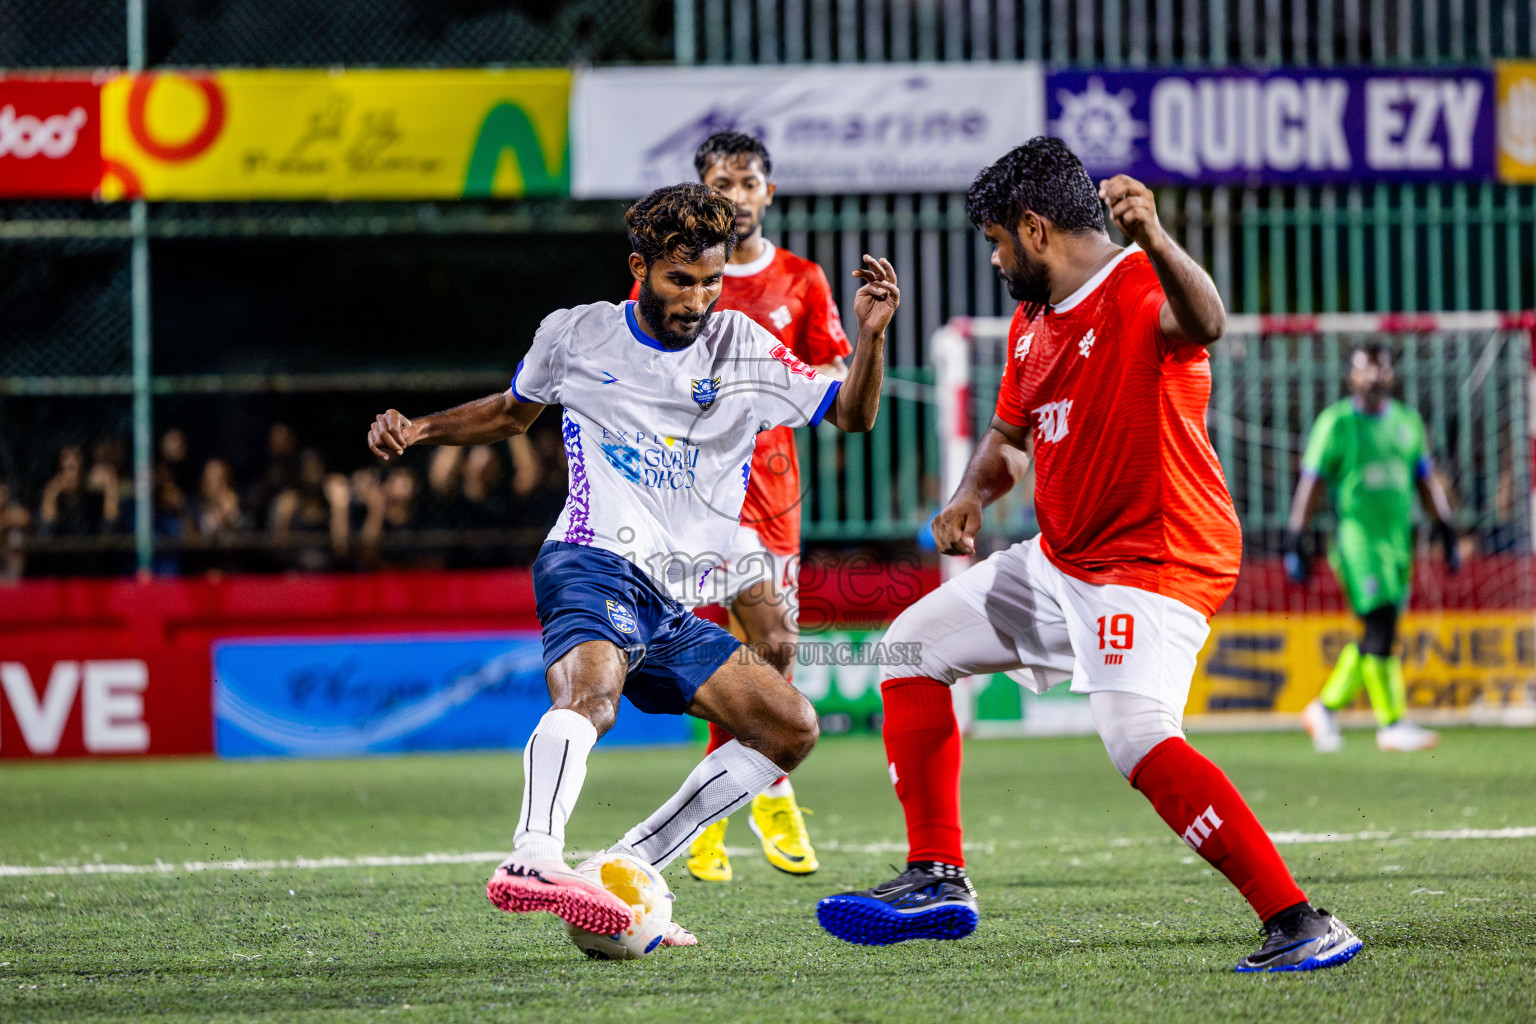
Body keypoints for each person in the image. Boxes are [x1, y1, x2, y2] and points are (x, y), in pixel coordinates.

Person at [815, 138, 1362, 974]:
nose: (995, 260)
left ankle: (1297, 920)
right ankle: (936, 876)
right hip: (1064, 559)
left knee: (1136, 736)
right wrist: (969, 496)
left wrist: (1158, 236)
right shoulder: (1032, 324)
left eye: (998, 242)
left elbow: (1206, 323)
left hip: (1154, 561)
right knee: (910, 648)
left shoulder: (1142, 284)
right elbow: (1009, 439)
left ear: (1035, 229)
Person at [365, 182, 898, 945]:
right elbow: (513, 411)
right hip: (589, 557)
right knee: (593, 696)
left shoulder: (742, 345)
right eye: (681, 280)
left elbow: (851, 412)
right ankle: (533, 856)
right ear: (640, 268)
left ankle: (629, 864)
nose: (697, 300)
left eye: (711, 281)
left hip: (668, 600)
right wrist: (419, 429)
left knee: (789, 726)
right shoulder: (576, 333)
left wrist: (871, 336)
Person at [628, 132, 851, 882]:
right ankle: (759, 801)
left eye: (748, 182)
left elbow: (835, 373)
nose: (738, 195)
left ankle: (728, 806)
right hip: (697, 493)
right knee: (727, 650)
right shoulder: (683, 278)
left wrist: (780, 384)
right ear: (703, 190)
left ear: (768, 192)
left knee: (771, 654)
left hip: (774, 490)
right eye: (722, 183)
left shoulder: (801, 280)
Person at [1284, 346, 1459, 753]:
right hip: (1357, 540)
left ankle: (1324, 709)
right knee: (1380, 621)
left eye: (1381, 369)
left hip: (1398, 541)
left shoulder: (1407, 422)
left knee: (1379, 631)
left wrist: (1446, 528)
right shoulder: (1337, 423)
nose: (1374, 377)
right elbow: (1311, 483)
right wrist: (1295, 537)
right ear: (1351, 377)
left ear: (1392, 375)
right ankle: (1391, 723)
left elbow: (1426, 480)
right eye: (1365, 370)